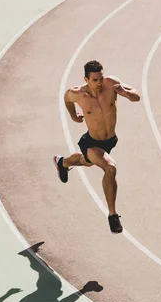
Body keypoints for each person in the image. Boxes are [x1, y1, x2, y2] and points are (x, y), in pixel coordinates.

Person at [53, 60, 140, 234]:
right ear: (86, 79)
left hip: (109, 141)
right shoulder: (78, 94)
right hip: (91, 142)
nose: (99, 83)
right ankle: (112, 215)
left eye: (100, 78)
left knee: (86, 162)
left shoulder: (112, 84)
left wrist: (126, 93)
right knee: (110, 168)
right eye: (95, 80)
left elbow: (136, 96)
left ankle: (62, 163)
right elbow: (66, 99)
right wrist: (73, 116)